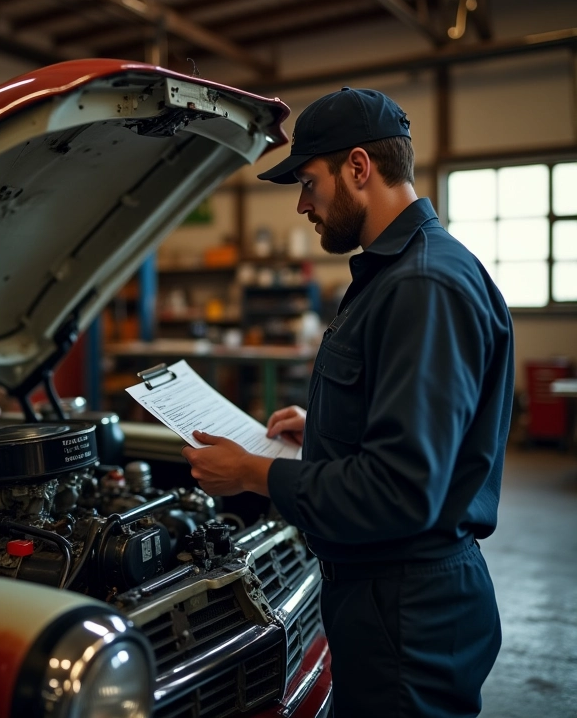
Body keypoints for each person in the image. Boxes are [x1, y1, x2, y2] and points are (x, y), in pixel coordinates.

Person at [181, 87, 514, 718]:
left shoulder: (422, 286)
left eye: (309, 182)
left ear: (358, 167)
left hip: (407, 609)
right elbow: (416, 429)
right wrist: (326, 427)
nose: (303, 204)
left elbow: (399, 490)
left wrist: (252, 472)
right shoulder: (399, 275)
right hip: (390, 599)